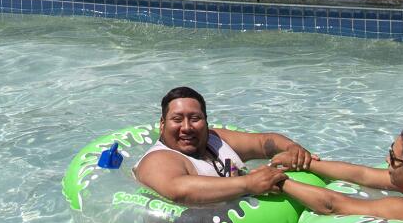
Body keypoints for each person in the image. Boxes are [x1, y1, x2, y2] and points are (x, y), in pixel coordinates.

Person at [132, 87, 316, 205]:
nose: (187, 127)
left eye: (195, 118)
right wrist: (249, 183)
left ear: (205, 121)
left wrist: (293, 148)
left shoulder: (215, 139)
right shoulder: (158, 158)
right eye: (177, 119)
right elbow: (177, 190)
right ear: (162, 124)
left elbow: (263, 142)